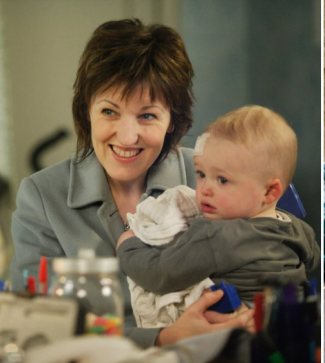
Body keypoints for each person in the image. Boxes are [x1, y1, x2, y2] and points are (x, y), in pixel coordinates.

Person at [10, 18, 254, 348]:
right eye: (109, 112)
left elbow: (257, 281)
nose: (126, 136)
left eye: (147, 115)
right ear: (87, 112)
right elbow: (39, 326)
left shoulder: (211, 177)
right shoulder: (40, 198)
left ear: (172, 120)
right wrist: (161, 337)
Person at [114, 105, 320, 328]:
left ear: (270, 192)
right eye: (201, 174)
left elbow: (160, 275)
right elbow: (313, 261)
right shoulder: (299, 229)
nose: (204, 189)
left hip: (239, 339)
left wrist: (129, 247)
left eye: (222, 180)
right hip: (296, 329)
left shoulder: (216, 236)